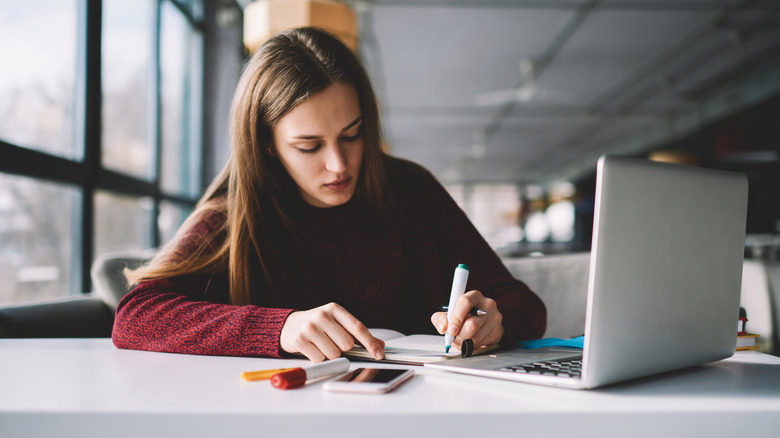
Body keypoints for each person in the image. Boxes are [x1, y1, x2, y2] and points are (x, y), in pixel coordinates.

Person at [113, 27, 546, 362]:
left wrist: (491, 321)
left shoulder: (411, 191)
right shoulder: (235, 214)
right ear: (266, 143)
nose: (339, 164)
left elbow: (525, 304)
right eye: (309, 146)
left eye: (352, 135)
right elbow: (134, 317)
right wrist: (280, 328)